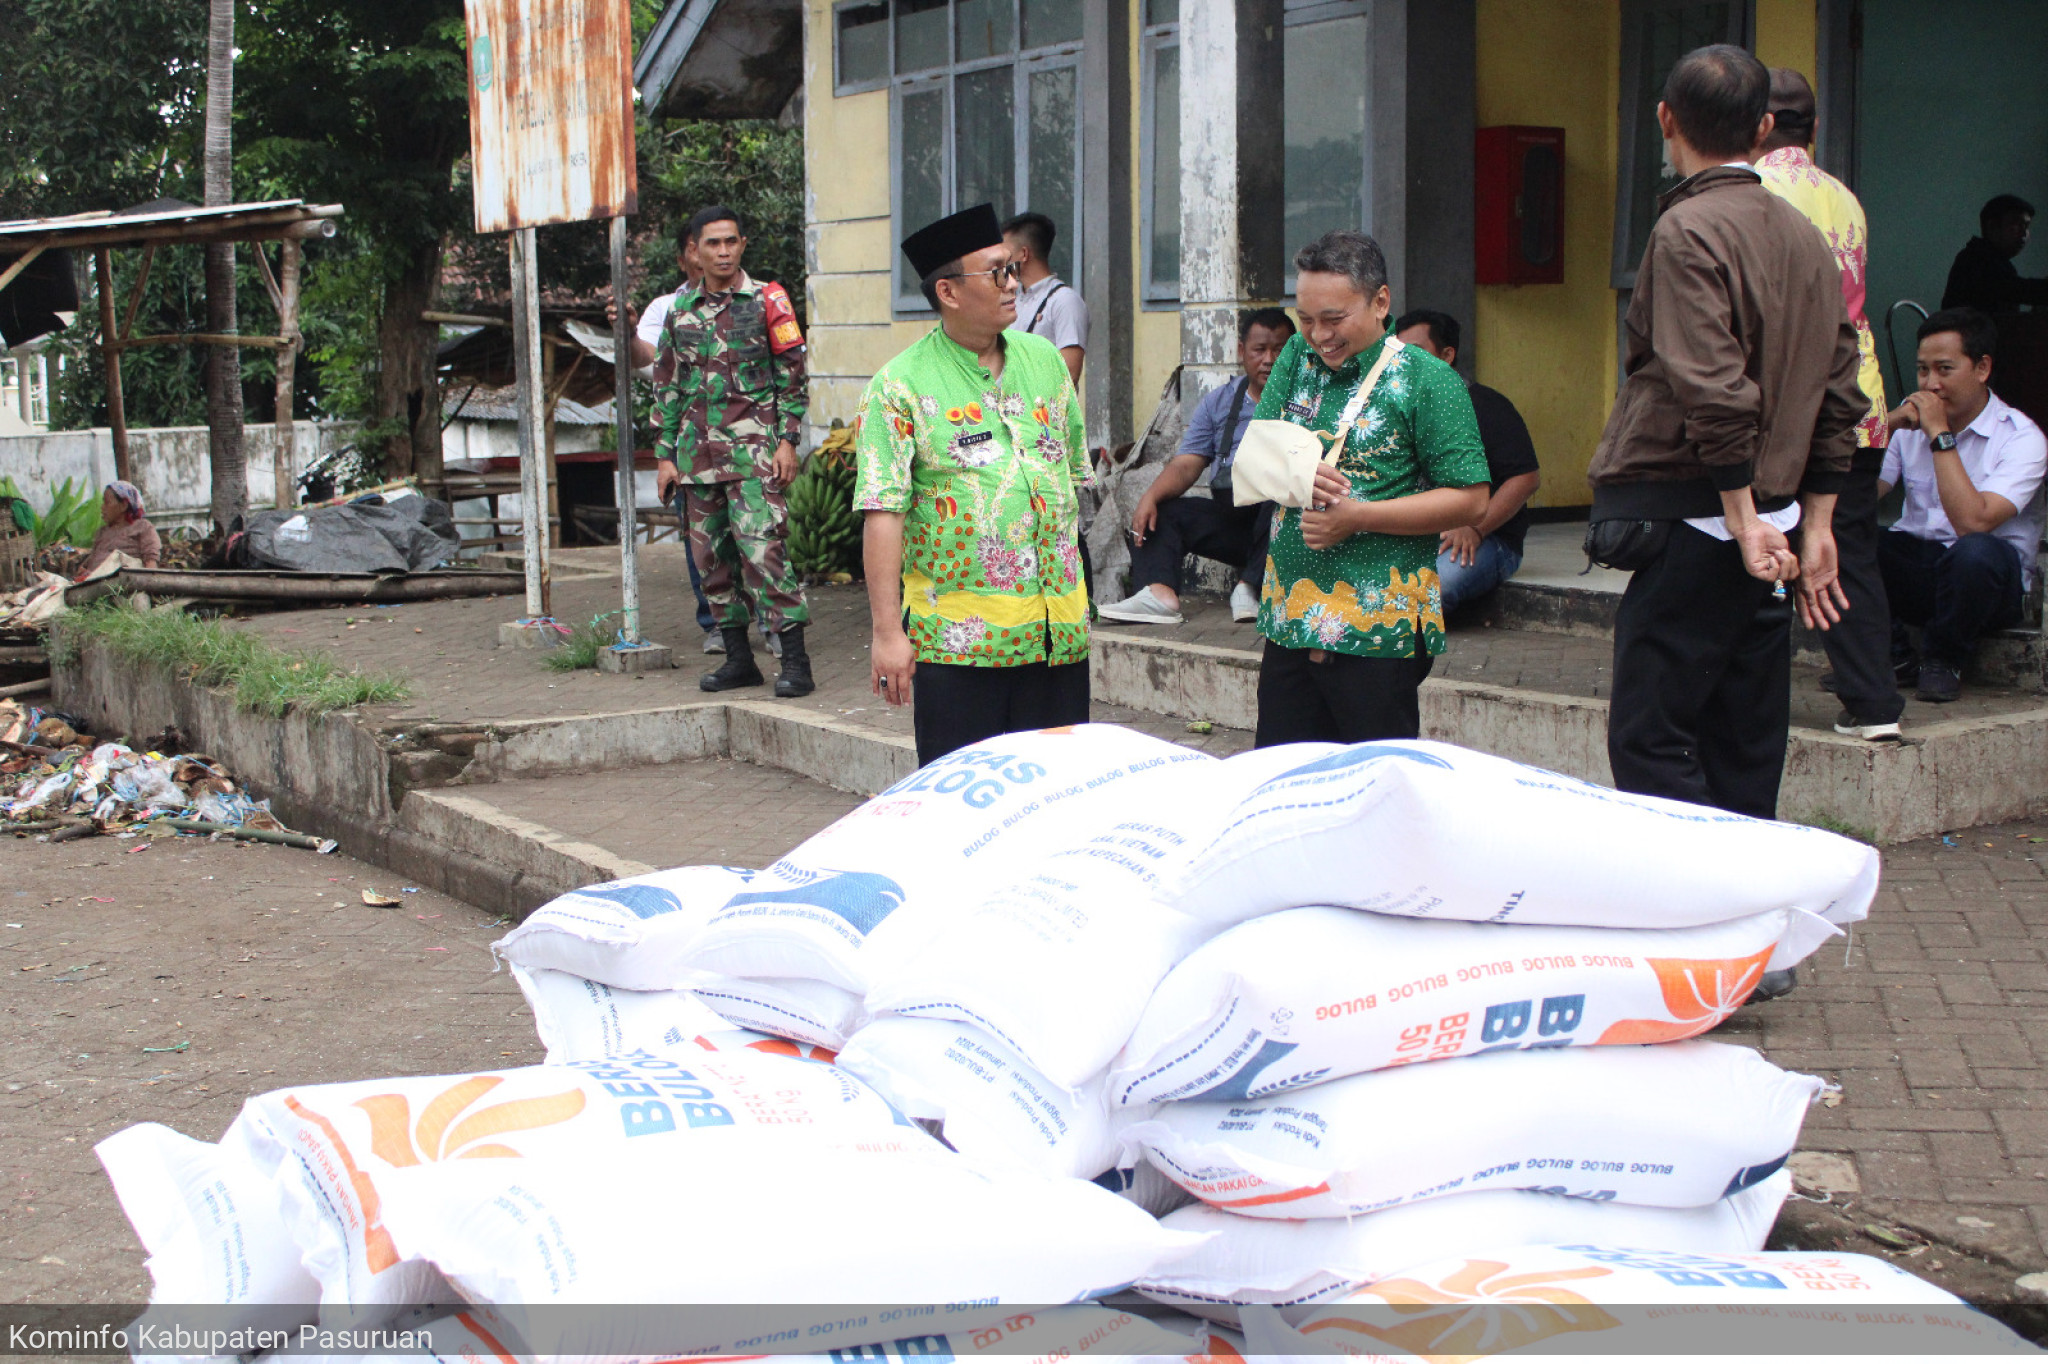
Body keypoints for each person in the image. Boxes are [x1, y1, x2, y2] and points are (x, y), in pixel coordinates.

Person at [1588, 44, 1864, 829]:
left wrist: (1743, 521)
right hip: (1772, 518)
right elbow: (1840, 389)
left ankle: (1696, 895)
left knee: (1651, 738)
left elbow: (1713, 389)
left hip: (1705, 519)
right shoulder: (1806, 237)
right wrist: (1815, 521)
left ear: (1665, 119)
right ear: (1764, 128)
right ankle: (1750, 898)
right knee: (1745, 742)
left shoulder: (1687, 230)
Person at [855, 203, 1092, 765]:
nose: (1013, 284)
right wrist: (887, 633)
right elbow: (883, 512)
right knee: (963, 801)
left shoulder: (1046, 363)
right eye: (997, 272)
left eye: (1014, 268)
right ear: (949, 292)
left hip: (1056, 637)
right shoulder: (899, 386)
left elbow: (1070, 479)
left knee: (1057, 793)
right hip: (959, 648)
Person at [1250, 231, 1490, 747]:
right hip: (1290, 618)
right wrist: (1293, 471)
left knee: (1374, 780)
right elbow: (1258, 450)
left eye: (1334, 319)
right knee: (1284, 777)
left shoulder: (1428, 380)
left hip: (1377, 627)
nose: (1319, 335)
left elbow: (1471, 498)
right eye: (1306, 319)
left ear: (1381, 302)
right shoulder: (1295, 356)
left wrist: (1357, 517)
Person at [1754, 66, 1904, 741]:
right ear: (1813, 128)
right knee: (1850, 550)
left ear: (1757, 123)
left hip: (1785, 402)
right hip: (1859, 399)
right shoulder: (1845, 197)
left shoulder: (1749, 190)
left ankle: (1741, 697)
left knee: (1757, 546)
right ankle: (1875, 705)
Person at [653, 204, 815, 697]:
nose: (723, 251)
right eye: (713, 243)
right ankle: (739, 661)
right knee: (712, 563)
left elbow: (792, 377)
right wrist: (664, 456)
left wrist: (788, 441)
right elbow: (668, 385)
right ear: (695, 251)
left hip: (754, 458)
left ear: (742, 245)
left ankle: (796, 663)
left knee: (765, 554)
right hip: (696, 461)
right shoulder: (680, 311)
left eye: (731, 242)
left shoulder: (768, 300)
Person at [1878, 308, 2047, 703]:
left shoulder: (2022, 438)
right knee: (1842, 533)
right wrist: (1884, 425)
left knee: (1975, 552)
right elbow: (1861, 495)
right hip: (1921, 571)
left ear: (1982, 368)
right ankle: (1892, 656)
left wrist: (1939, 434)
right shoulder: (1910, 421)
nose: (1930, 384)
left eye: (1944, 369)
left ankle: (1944, 659)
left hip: (1986, 587)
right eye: (1922, 370)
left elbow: (1973, 522)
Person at [1098, 308, 1294, 626]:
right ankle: (1159, 595)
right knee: (1162, 511)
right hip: (1236, 519)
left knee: (1284, 491)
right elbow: (1186, 465)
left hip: (1288, 528)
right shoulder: (1220, 402)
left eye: (1279, 350)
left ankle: (1249, 587)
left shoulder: (1308, 401)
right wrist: (1150, 497)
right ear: (1242, 351)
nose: (1269, 360)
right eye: (1259, 350)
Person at [612, 234, 723, 655]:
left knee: (756, 533)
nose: (711, 252)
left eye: (721, 241)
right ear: (684, 258)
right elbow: (647, 361)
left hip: (746, 439)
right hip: (689, 442)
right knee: (700, 535)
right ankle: (718, 625)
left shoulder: (754, 300)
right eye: (698, 245)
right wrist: (626, 332)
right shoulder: (666, 309)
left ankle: (773, 624)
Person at [1389, 309, 1541, 613]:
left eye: (1415, 352)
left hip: (1488, 538)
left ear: (1447, 355)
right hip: (1416, 534)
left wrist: (1476, 527)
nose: (1404, 362)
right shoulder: (1394, 407)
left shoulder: (1487, 406)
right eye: (1397, 353)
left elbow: (1526, 479)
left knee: (1430, 591)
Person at [1002, 212, 1087, 391]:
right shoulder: (1014, 300)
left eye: (1006, 254)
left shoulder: (1064, 301)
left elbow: (1069, 374)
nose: (1001, 261)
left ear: (1024, 254)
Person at [1942, 195, 2048, 314]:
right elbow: (2015, 290)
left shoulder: (1995, 261)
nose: (2024, 233)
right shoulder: (1976, 260)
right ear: (1992, 227)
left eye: (2026, 226)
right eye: (2016, 224)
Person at [76, 480, 160, 578]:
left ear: (124, 505)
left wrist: (148, 580)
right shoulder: (102, 532)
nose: (102, 508)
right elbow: (91, 561)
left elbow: (151, 562)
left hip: (125, 580)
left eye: (107, 502)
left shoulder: (143, 527)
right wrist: (84, 571)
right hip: (96, 581)